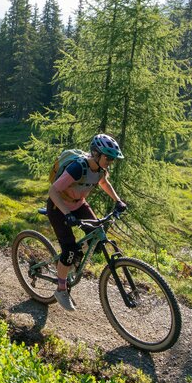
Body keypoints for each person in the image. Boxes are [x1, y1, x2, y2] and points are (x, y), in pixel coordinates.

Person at [46, 133, 127, 312]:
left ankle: (73, 260)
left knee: (97, 239)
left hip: (78, 204)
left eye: (113, 159)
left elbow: (103, 183)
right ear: (96, 154)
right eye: (108, 157)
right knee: (69, 249)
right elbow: (53, 191)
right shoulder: (77, 168)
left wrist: (118, 200)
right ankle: (61, 289)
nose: (111, 161)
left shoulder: (100, 169)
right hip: (58, 207)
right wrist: (67, 214)